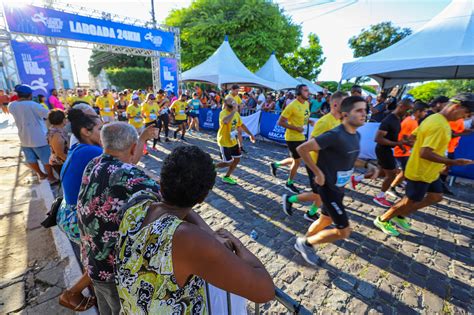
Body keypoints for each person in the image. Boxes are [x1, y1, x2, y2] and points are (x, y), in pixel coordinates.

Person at [115, 146, 274, 313]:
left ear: (161, 182)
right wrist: (238, 245)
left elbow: (172, 204)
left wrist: (211, 235)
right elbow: (265, 291)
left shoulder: (138, 204)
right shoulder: (187, 239)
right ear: (202, 198)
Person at [77, 122, 158, 314]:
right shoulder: (129, 175)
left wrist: (142, 138)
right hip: (114, 272)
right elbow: (167, 198)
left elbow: (126, 168)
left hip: (93, 263)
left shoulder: (94, 163)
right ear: (132, 147)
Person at [293, 96, 379, 265]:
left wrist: (368, 164)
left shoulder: (356, 136)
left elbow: (351, 159)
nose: (364, 114)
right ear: (345, 114)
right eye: (359, 110)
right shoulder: (335, 134)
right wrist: (317, 172)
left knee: (325, 220)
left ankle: (304, 243)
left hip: (339, 188)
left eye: (365, 110)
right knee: (343, 231)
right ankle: (306, 243)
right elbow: (302, 148)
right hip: (329, 189)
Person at [374, 93, 474, 236]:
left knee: (436, 196)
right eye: (466, 113)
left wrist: (412, 142)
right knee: (410, 200)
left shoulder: (434, 118)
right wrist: (453, 162)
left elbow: (413, 136)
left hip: (430, 171)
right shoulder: (439, 124)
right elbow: (425, 153)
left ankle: (400, 216)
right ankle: (383, 219)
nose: (465, 118)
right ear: (457, 106)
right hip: (421, 171)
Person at [57, 108, 103, 311]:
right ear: (86, 131)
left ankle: (90, 286)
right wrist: (144, 137)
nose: (104, 132)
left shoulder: (79, 148)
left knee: (91, 256)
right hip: (77, 219)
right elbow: (125, 166)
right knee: (104, 258)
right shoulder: (94, 151)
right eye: (101, 129)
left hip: (67, 214)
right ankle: (71, 293)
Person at [282, 91, 348, 222]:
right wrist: (318, 170)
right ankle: (289, 199)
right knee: (319, 194)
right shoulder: (325, 122)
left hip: (328, 165)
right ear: (335, 105)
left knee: (322, 194)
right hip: (316, 163)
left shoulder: (340, 121)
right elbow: (308, 146)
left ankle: (311, 213)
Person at [8, 85, 57, 183]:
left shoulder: (11, 105)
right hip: (39, 138)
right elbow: (48, 115)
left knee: (31, 159)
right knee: (46, 159)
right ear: (30, 95)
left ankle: (41, 175)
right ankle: (51, 177)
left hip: (24, 137)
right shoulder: (33, 105)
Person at [372, 98, 414, 208]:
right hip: (383, 150)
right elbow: (378, 139)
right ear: (401, 106)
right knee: (391, 175)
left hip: (388, 149)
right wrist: (397, 143)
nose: (409, 113)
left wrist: (401, 144)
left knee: (381, 172)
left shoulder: (398, 118)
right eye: (408, 110)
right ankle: (380, 196)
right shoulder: (389, 120)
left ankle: (357, 178)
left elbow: (396, 136)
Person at [270, 84, 311, 194]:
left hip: (301, 136)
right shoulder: (292, 106)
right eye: (306, 91)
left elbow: (304, 118)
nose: (309, 92)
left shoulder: (307, 103)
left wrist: (309, 122)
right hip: (292, 137)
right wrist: (296, 128)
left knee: (295, 159)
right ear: (299, 93)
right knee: (297, 161)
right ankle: (289, 183)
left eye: (308, 90)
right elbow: (280, 122)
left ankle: (276, 164)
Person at [387, 101, 427, 197]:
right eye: (424, 112)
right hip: (401, 151)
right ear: (418, 112)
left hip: (406, 151)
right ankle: (391, 188)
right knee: (405, 172)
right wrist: (418, 145)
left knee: (404, 171)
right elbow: (403, 139)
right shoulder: (410, 122)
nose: (425, 114)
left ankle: (396, 183)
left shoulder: (413, 121)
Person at [215, 97, 256, 185]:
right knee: (228, 162)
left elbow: (242, 125)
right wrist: (234, 110)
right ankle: (212, 167)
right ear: (226, 104)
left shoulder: (236, 114)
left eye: (233, 101)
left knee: (237, 159)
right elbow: (225, 121)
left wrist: (250, 134)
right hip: (224, 141)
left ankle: (226, 177)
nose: (233, 101)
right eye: (230, 101)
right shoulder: (223, 113)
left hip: (233, 141)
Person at [46, 110, 69, 175]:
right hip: (60, 162)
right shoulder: (57, 135)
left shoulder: (54, 129)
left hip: (60, 161)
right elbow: (59, 153)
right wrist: (71, 162)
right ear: (63, 120)